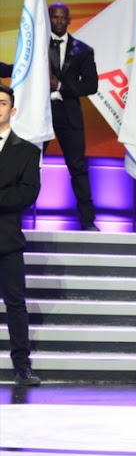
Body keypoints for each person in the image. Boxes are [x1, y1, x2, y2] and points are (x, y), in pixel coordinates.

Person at [1, 3, 99, 230]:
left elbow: (91, 85)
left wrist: (61, 85)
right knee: (26, 164)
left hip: (68, 116)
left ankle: (88, 221)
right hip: (39, 112)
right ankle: (14, 220)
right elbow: (21, 69)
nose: (58, 21)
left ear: (69, 20)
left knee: (77, 166)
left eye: (62, 18)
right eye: (54, 17)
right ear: (49, 20)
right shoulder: (36, 46)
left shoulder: (83, 51)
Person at [0, 84, 42, 386]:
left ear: (12, 110)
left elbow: (27, 193)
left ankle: (22, 366)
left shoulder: (27, 151)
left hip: (7, 241)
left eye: (2, 103)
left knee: (15, 303)